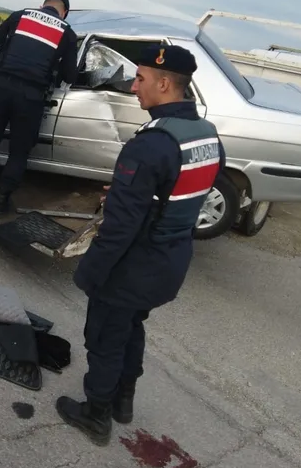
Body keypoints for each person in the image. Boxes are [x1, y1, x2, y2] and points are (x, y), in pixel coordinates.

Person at [56, 44, 226, 446]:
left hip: (134, 263)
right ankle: (123, 401)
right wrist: (130, 191)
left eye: (141, 79)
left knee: (104, 336)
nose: (134, 87)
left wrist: (89, 271)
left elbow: (119, 228)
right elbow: (180, 189)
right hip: (170, 260)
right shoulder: (205, 134)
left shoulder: (151, 143)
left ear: (165, 84)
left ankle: (96, 413)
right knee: (132, 327)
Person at [0, 0, 79, 218]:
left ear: (42, 6)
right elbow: (70, 74)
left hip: (0, 89)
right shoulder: (67, 33)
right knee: (19, 153)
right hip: (31, 97)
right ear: (64, 13)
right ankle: (0, 203)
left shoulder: (20, 16)